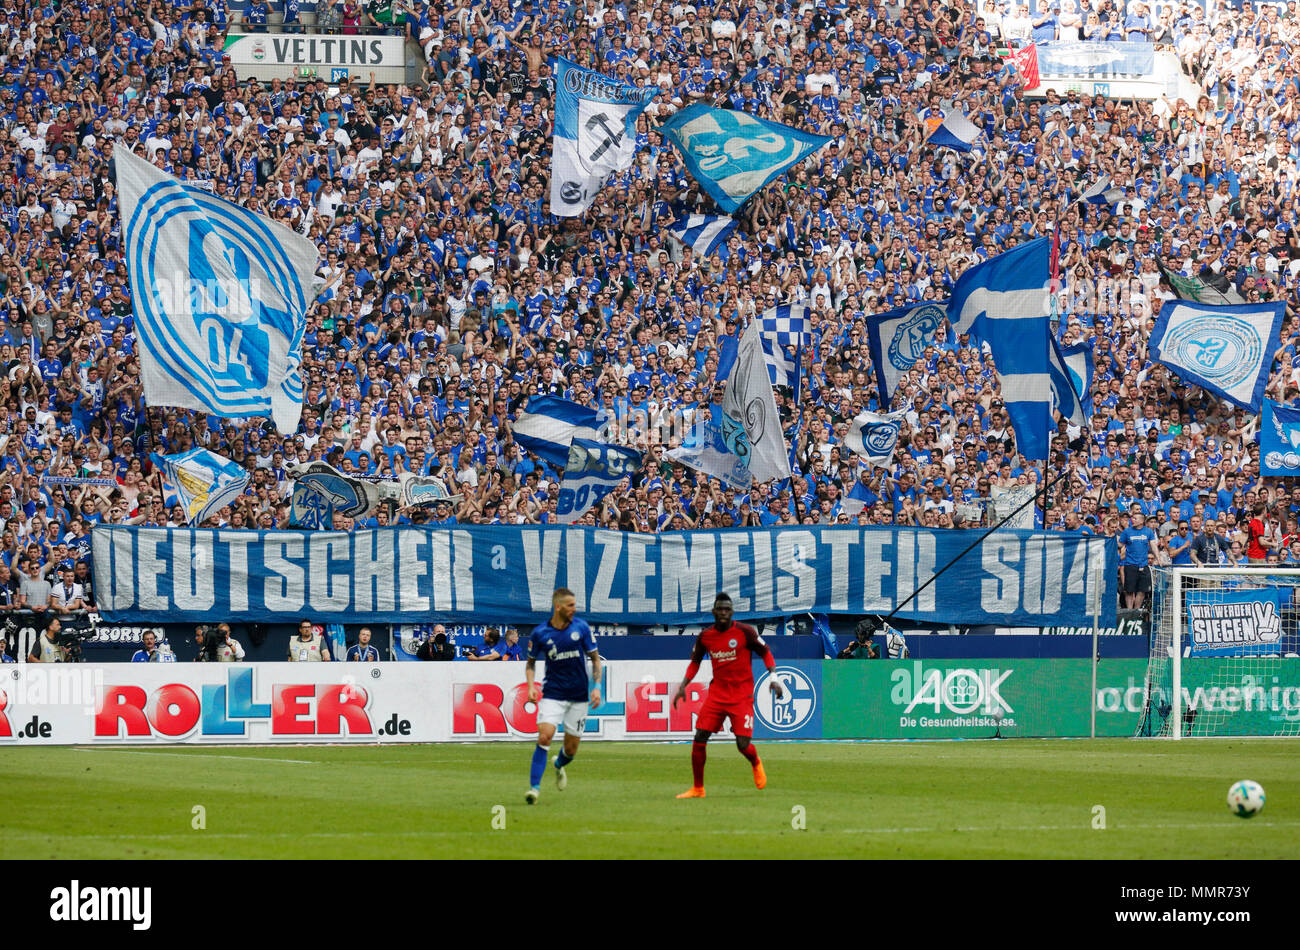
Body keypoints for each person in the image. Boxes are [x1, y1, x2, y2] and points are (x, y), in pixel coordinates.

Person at [671, 592, 783, 799]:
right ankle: (698, 788)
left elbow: (765, 651)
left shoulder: (745, 632)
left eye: (727, 609)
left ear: (732, 612)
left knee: (742, 744)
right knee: (700, 736)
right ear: (714, 612)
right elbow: (695, 661)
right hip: (717, 694)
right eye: (720, 609)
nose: (723, 613)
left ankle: (755, 761)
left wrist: (774, 678)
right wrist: (684, 685)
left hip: (741, 695)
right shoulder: (705, 636)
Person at [524, 588, 602, 804]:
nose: (574, 609)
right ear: (557, 606)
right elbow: (530, 664)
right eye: (570, 605)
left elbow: (595, 659)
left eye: (575, 605)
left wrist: (597, 687)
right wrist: (531, 686)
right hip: (553, 693)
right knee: (545, 736)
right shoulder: (540, 633)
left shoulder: (581, 628)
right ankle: (534, 788)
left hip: (578, 696)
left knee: (571, 749)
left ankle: (558, 764)